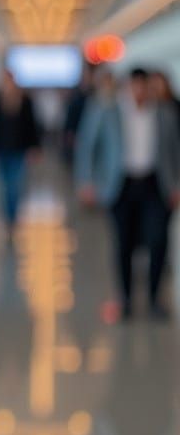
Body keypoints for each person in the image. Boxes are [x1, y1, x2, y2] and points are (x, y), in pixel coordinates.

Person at [75, 67, 180, 319]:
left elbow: (175, 149)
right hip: (121, 186)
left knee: (157, 242)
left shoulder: (164, 113)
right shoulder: (110, 111)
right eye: (134, 86)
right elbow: (89, 144)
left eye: (143, 86)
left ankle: (155, 299)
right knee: (123, 244)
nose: (139, 91)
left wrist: (176, 184)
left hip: (155, 185)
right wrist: (86, 180)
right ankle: (125, 299)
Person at [0, 68, 42, 228]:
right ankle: (7, 216)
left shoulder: (25, 101)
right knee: (4, 186)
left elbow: (32, 126)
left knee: (15, 186)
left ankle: (13, 217)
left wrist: (35, 147)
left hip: (19, 149)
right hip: (2, 149)